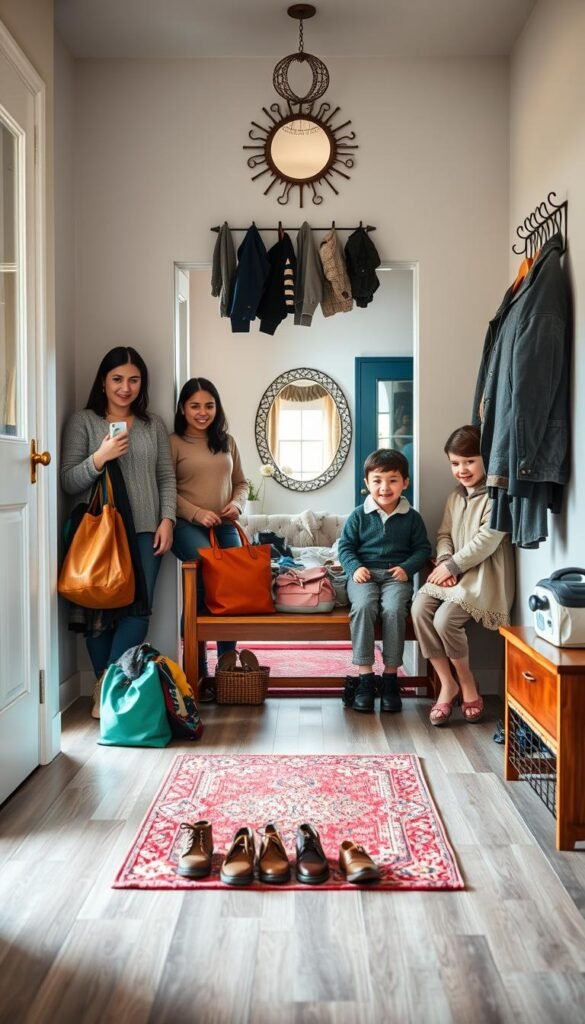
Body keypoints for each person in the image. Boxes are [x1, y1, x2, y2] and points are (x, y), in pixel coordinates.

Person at [61, 346, 176, 715]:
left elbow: (165, 477)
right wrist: (101, 456)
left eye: (133, 380)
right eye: (117, 379)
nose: (125, 388)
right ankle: (105, 690)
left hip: (145, 529)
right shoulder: (84, 421)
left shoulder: (153, 424)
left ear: (142, 383)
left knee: (138, 611)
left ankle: (106, 686)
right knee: (98, 610)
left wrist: (167, 520)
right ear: (103, 381)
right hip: (98, 533)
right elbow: (68, 480)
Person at [411, 424, 515, 726]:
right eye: (455, 463)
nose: (462, 469)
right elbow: (444, 534)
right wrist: (444, 561)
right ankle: (448, 683)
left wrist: (452, 567)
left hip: (483, 577)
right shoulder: (455, 496)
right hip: (452, 573)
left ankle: (467, 683)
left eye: (469, 461)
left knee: (445, 620)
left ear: (485, 458)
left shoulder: (498, 496)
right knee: (419, 610)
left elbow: (487, 540)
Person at [338, 448, 431, 714]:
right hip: (364, 575)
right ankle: (365, 677)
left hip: (395, 577)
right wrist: (354, 568)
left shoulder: (412, 517)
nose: (385, 487)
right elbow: (345, 547)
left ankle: (390, 677)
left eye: (392, 480)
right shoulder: (359, 515)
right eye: (377, 480)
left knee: (393, 610)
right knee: (364, 607)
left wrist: (407, 568)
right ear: (367, 484)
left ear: (405, 483)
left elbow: (423, 549)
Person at [170, 378, 249, 687]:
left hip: (225, 524)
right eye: (195, 406)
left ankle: (226, 667)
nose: (202, 412)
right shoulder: (174, 442)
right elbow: (165, 487)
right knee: (205, 576)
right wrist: (195, 512)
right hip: (185, 525)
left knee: (229, 591)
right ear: (182, 409)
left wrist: (236, 505)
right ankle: (195, 665)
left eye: (209, 405)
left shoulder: (226, 441)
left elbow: (242, 482)